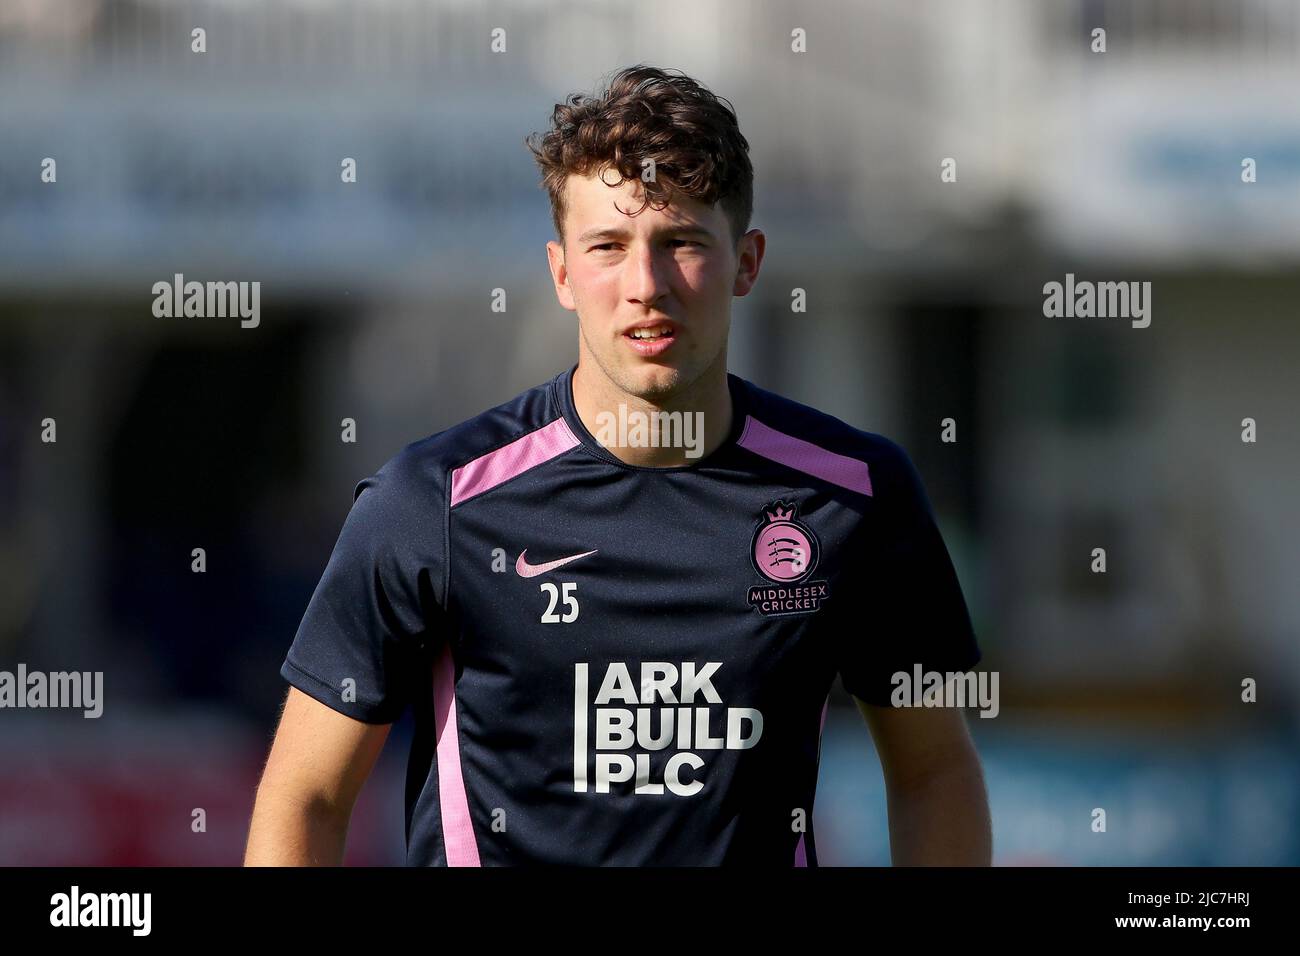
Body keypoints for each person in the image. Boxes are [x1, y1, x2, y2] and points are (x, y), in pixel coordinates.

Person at [244, 64, 991, 866]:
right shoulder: (431, 502)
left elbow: (933, 771)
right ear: (563, 272)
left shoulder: (854, 496)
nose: (647, 285)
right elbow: (306, 797)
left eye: (682, 243)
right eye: (608, 246)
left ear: (747, 263)